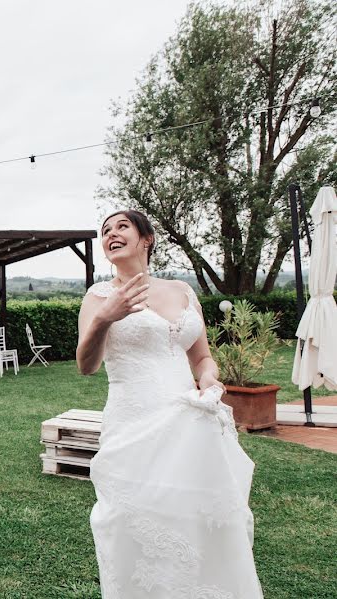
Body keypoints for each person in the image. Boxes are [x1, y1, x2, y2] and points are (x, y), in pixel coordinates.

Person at [77, 210, 262, 598]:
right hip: (134, 420)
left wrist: (209, 379)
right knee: (134, 519)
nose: (111, 234)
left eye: (121, 226)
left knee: (196, 516)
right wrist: (105, 320)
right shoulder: (98, 296)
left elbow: (202, 359)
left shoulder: (181, 291)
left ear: (147, 238)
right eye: (105, 231)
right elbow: (86, 365)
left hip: (189, 421)